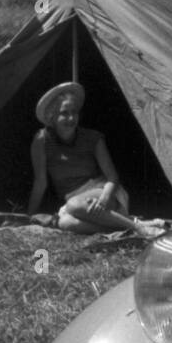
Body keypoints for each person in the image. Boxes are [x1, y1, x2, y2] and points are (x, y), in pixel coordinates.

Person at [27, 82, 163, 238]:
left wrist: (105, 198)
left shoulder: (93, 139)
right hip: (76, 204)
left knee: (74, 205)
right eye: (64, 113)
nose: (71, 118)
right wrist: (30, 215)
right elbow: (40, 182)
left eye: (74, 112)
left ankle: (139, 229)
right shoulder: (42, 141)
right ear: (52, 117)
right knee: (65, 223)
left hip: (105, 193)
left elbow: (112, 178)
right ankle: (129, 225)